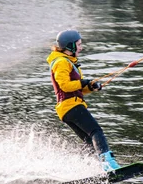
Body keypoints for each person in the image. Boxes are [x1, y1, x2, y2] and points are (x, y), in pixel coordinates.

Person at [46, 29, 121, 172]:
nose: (81, 47)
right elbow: (65, 86)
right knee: (96, 132)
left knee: (89, 141)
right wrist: (83, 82)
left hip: (68, 108)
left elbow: (77, 89)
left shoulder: (68, 62)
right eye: (79, 44)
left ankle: (81, 170)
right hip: (71, 106)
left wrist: (91, 87)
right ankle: (108, 164)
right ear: (70, 46)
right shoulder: (61, 62)